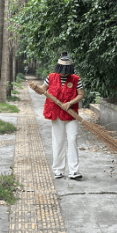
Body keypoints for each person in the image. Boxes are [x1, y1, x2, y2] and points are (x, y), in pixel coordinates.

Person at [35, 52, 85, 180]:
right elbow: (42, 91)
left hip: (71, 114)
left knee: (72, 140)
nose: (63, 73)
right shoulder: (51, 77)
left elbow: (81, 94)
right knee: (58, 141)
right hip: (56, 114)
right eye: (61, 70)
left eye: (65, 71)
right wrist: (36, 88)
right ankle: (58, 170)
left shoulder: (76, 79)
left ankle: (74, 171)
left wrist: (70, 103)